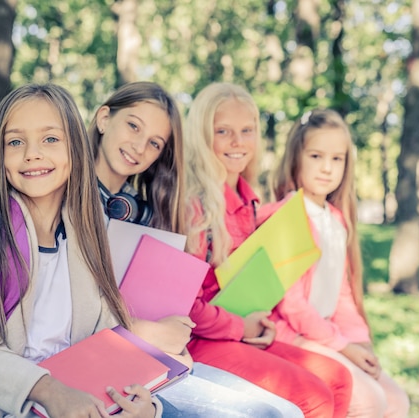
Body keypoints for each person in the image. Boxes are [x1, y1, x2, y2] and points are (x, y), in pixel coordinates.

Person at [0, 84, 160, 418]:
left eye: (50, 139)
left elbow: (108, 334)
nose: (32, 153)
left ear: (75, 149)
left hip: (77, 398)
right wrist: (49, 391)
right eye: (15, 142)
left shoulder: (85, 239)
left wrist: (142, 399)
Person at [89, 80, 303, 417]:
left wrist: (169, 339)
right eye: (133, 125)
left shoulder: (143, 211)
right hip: (108, 359)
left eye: (155, 143)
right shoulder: (70, 201)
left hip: (154, 352)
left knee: (283, 413)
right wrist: (154, 334)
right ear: (104, 119)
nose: (139, 146)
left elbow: (157, 302)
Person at [183, 82, 353, 418]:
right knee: (314, 397)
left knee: (339, 379)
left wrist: (259, 323)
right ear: (203, 136)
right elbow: (186, 306)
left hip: (238, 332)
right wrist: (238, 327)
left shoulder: (252, 202)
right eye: (223, 131)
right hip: (199, 340)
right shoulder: (194, 208)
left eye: (247, 131)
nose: (238, 142)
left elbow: (254, 285)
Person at [267, 108, 411, 417]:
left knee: (397, 401)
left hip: (326, 333)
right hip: (291, 336)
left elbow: (342, 294)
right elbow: (291, 306)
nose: (327, 168)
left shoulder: (335, 220)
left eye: (337, 158)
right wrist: (343, 345)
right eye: (316, 156)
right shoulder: (286, 215)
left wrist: (361, 343)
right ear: (296, 157)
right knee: (369, 401)